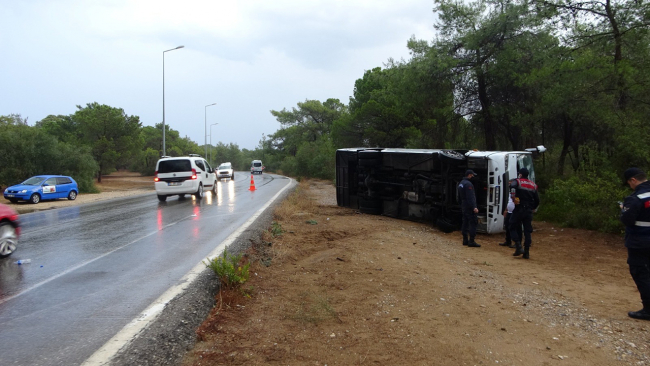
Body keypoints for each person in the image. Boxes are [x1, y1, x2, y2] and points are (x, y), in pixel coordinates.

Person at [620, 167, 650, 321]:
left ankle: (648, 309)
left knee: (641, 273)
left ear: (633, 180)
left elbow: (627, 219)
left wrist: (623, 210)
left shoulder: (636, 198)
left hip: (640, 241)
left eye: (629, 183)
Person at [509, 168, 539, 259]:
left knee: (511, 226)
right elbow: (537, 200)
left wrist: (514, 198)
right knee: (527, 231)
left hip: (519, 208)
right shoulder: (533, 185)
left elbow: (512, 187)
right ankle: (526, 252)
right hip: (528, 211)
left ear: (520, 174)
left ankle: (518, 246)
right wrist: (533, 207)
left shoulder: (517, 181)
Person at [458, 169, 481, 248]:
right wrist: (474, 207)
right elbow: (470, 197)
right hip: (469, 206)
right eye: (472, 175)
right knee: (473, 222)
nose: (473, 177)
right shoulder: (468, 184)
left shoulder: (461, 183)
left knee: (465, 222)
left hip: (464, 205)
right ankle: (471, 241)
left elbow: (459, 196)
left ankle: (465, 239)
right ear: (469, 175)